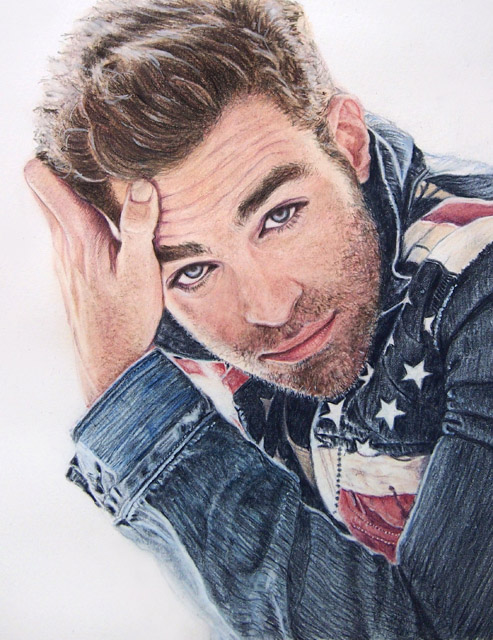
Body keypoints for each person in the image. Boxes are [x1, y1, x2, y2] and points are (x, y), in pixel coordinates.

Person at [24, 0, 493, 638]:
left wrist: (128, 401)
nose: (268, 309)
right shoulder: (164, 323)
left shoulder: (478, 280)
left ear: (348, 142)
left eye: (280, 216)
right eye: (195, 269)